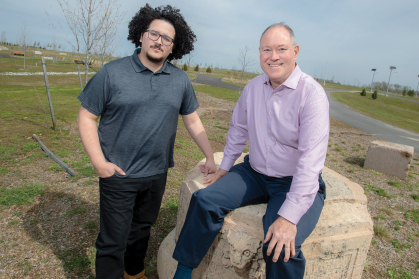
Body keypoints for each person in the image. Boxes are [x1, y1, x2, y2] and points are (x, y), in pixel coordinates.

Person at [172, 22, 329, 279]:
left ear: (296, 51)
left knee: (278, 243)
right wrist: (225, 167)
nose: (273, 56)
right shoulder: (253, 87)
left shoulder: (311, 95)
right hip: (255, 173)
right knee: (205, 200)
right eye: (267, 50)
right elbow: (238, 130)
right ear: (259, 53)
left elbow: (311, 163)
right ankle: (183, 271)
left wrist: (289, 218)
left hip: (293, 182)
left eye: (281, 49)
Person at [77, 4, 215, 279]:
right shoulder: (112, 73)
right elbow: (86, 118)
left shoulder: (179, 80)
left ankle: (134, 272)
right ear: (141, 35)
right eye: (154, 34)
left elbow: (192, 120)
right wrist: (100, 163)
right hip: (118, 174)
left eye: (167, 38)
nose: (159, 41)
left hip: (156, 174)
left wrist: (210, 156)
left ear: (174, 47)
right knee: (113, 241)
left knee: (141, 230)